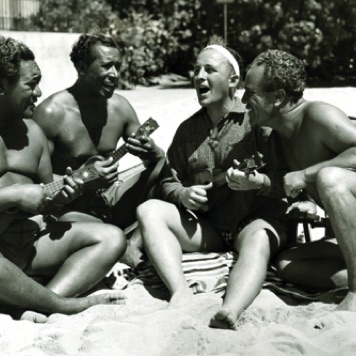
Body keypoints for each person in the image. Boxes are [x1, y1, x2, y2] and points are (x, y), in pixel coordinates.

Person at [136, 43, 290, 330]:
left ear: (234, 80)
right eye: (196, 70)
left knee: (258, 239)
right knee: (149, 211)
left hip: (255, 222)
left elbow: (287, 181)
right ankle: (180, 292)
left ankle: (230, 309)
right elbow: (168, 180)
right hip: (211, 231)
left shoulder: (257, 121)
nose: (198, 76)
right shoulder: (187, 130)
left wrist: (258, 182)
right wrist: (182, 194)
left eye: (209, 69)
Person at [0, 36, 127, 323]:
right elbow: (19, 196)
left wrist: (63, 194)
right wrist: (13, 196)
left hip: (26, 244)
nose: (39, 91)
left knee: (111, 237)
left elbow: (48, 202)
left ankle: (36, 301)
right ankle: (63, 305)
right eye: (30, 84)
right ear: (2, 86)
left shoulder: (33, 133)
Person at [32, 32, 165, 265]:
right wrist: (83, 182)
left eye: (117, 66)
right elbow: (34, 183)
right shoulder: (51, 114)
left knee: (166, 168)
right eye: (106, 66)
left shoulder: (120, 107)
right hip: (68, 208)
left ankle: (129, 243)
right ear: (82, 68)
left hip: (109, 198)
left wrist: (151, 151)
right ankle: (125, 245)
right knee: (102, 233)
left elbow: (155, 160)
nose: (114, 74)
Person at [242, 49, 356, 310]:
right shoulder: (279, 136)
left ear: (279, 97)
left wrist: (307, 175)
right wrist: (258, 182)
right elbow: (288, 183)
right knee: (289, 264)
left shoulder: (318, 115)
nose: (244, 100)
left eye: (251, 93)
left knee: (330, 178)